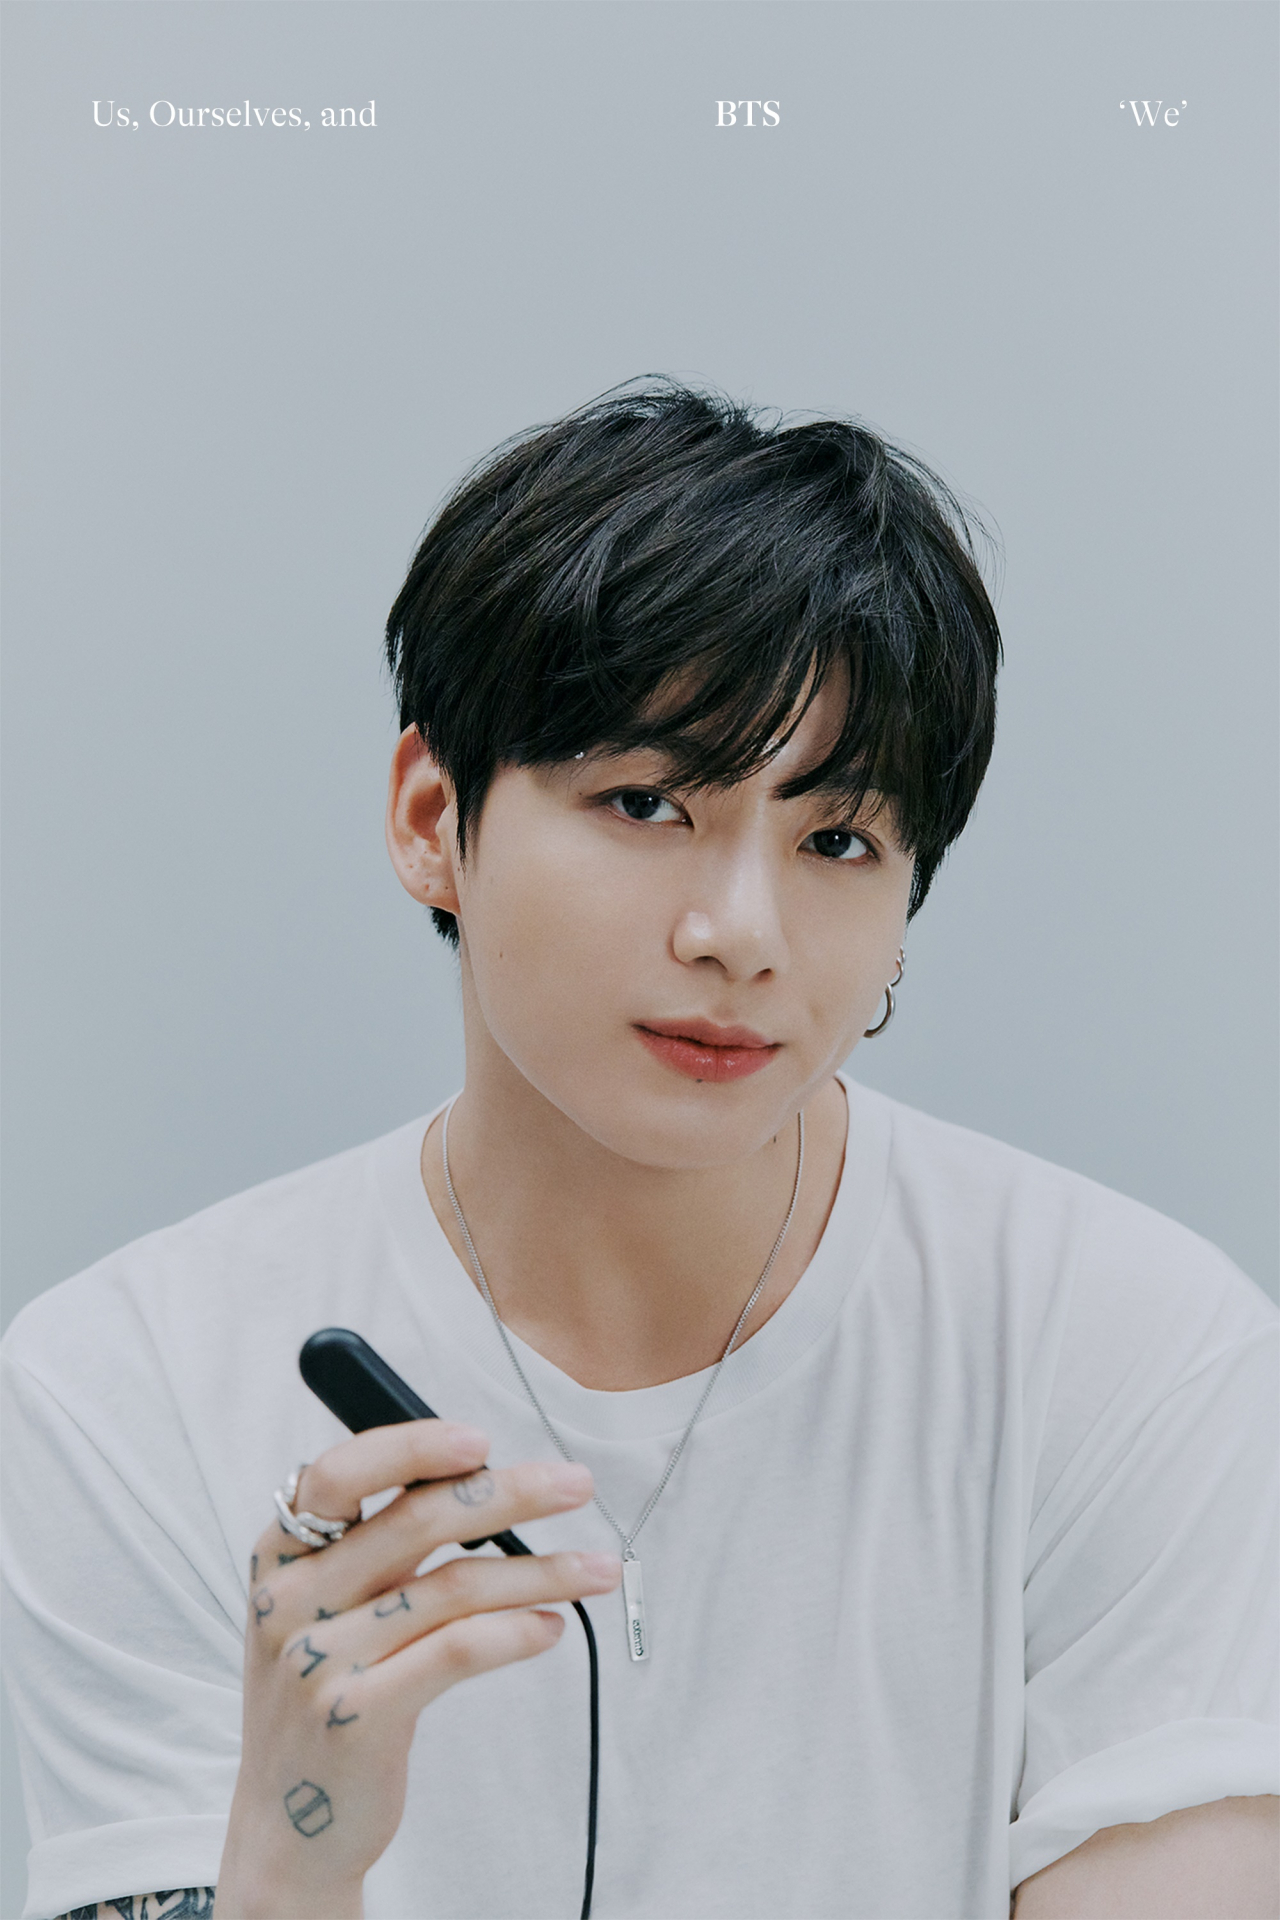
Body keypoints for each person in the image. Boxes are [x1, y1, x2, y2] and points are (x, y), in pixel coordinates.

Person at [2, 382, 1275, 1920]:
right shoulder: (128, 1382)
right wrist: (292, 1848)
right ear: (432, 817)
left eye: (837, 839)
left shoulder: (1128, 1346)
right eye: (648, 802)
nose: (739, 932)